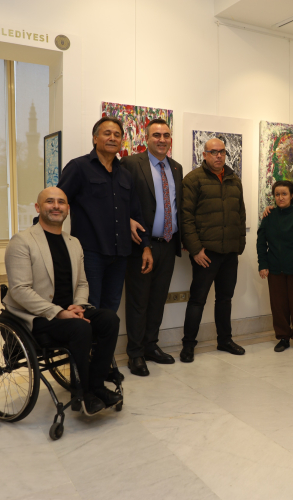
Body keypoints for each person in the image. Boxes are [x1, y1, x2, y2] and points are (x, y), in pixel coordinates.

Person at [4, 187, 123, 416]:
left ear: (68, 209)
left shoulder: (73, 242)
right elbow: (19, 290)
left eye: (61, 202)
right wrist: (58, 312)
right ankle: (83, 394)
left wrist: (79, 305)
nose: (56, 206)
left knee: (109, 319)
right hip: (37, 316)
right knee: (80, 328)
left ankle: (97, 386)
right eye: (50, 201)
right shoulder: (22, 241)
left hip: (70, 312)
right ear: (38, 207)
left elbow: (82, 283)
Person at [58, 117, 152, 312]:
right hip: (90, 253)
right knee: (89, 309)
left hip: (120, 254)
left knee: (110, 310)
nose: (112, 138)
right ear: (95, 138)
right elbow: (58, 203)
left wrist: (146, 247)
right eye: (107, 133)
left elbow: (135, 212)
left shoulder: (125, 175)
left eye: (117, 135)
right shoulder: (78, 167)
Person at [120, 119, 183, 376]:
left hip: (168, 244)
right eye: (156, 135)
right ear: (146, 138)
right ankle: (135, 354)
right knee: (139, 301)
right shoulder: (131, 164)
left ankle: (150, 346)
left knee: (158, 299)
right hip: (141, 245)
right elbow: (121, 199)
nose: (162, 139)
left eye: (166, 135)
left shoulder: (176, 167)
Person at [180, 137, 247, 362]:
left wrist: (239, 245)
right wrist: (195, 250)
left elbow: (240, 214)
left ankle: (224, 340)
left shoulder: (234, 179)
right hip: (205, 253)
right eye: (214, 152)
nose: (219, 156)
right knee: (197, 300)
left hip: (230, 252)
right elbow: (186, 218)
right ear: (205, 155)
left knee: (225, 299)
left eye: (222, 152)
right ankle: (188, 345)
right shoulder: (193, 179)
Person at [257, 180, 293, 354]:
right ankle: (283, 337)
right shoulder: (269, 216)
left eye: (284, 194)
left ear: (292, 195)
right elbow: (261, 243)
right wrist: (263, 264)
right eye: (277, 194)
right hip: (275, 269)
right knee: (278, 306)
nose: (280, 197)